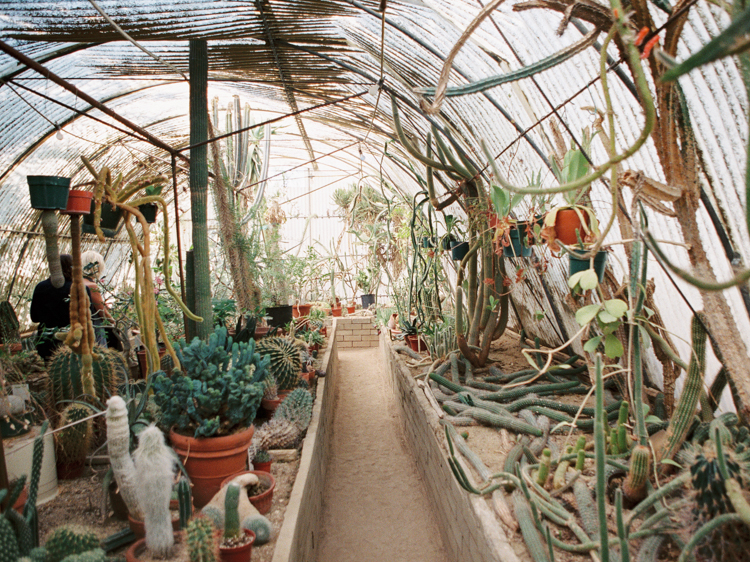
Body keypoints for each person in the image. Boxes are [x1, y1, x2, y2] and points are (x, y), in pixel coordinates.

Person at [30, 254, 74, 360]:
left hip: (46, 341)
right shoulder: (79, 287)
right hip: (72, 339)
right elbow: (89, 315)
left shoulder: (41, 287)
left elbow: (34, 317)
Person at [81, 250, 113, 347]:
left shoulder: (77, 282)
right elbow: (101, 311)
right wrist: (113, 322)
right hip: (93, 327)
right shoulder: (91, 285)